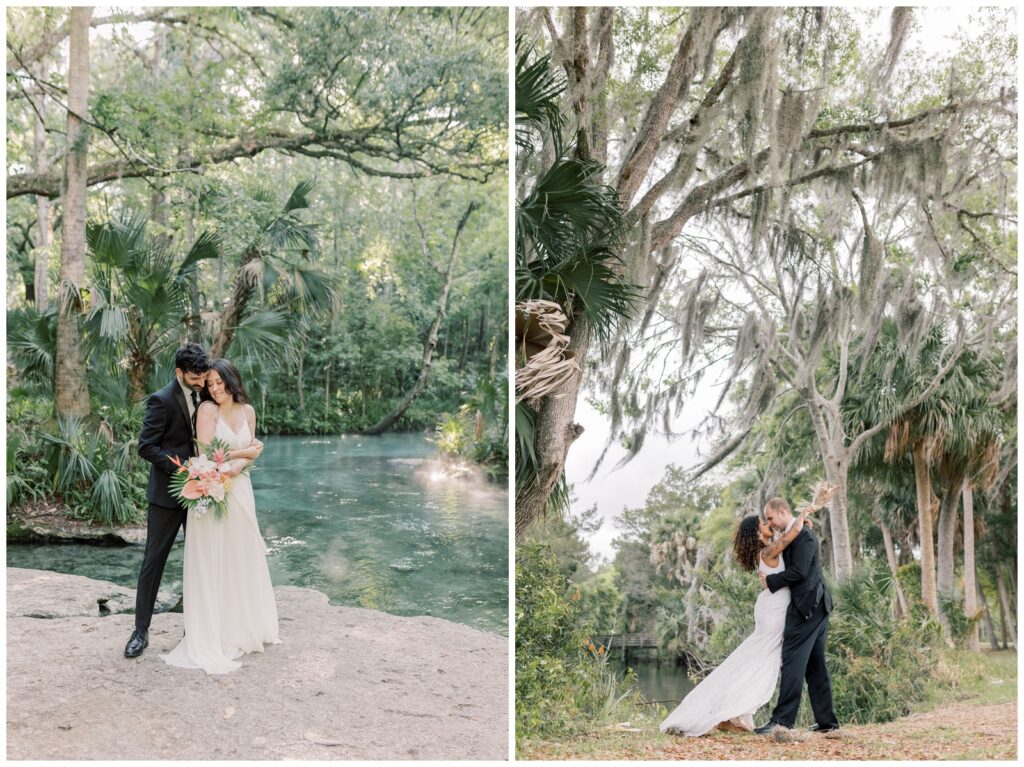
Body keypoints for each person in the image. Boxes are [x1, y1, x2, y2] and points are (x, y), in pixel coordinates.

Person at [161, 358, 280, 674]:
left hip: (240, 490)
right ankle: (216, 633)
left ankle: (242, 627)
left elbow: (247, 454)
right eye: (210, 384)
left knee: (241, 558)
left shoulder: (248, 411)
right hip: (214, 490)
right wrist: (247, 454)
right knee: (216, 561)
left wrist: (243, 459)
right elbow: (207, 455)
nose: (214, 389)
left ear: (232, 380)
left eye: (219, 382)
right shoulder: (207, 411)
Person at [659, 504, 811, 736]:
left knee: (755, 662)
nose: (768, 524)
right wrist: (805, 515)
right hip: (774, 612)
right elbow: (791, 534)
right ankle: (728, 711)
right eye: (764, 523)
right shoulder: (768, 552)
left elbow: (788, 536)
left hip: (773, 607)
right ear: (758, 533)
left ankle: (733, 714)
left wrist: (799, 524)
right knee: (761, 663)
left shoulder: (767, 550)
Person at [126, 344, 211, 658]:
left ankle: (197, 630)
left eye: (203, 377)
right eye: (195, 377)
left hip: (203, 495)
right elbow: (146, 447)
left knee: (200, 562)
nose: (201, 382)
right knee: (153, 563)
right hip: (166, 496)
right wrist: (181, 469)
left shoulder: (206, 394)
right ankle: (140, 631)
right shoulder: (161, 400)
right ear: (179, 372)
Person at [754, 497, 839, 735]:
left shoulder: (804, 536)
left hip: (808, 607)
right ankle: (827, 724)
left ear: (782, 511)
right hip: (814, 605)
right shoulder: (795, 532)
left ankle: (782, 722)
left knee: (791, 660)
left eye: (771, 518)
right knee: (815, 667)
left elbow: (800, 572)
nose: (770, 523)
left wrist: (770, 581)